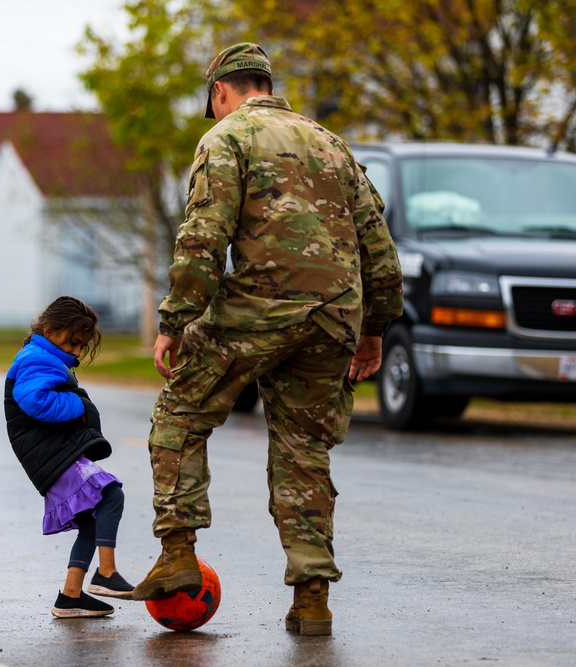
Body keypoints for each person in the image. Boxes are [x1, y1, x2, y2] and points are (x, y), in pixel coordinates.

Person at [131, 43, 404, 637]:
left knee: (180, 413)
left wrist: (176, 322)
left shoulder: (226, 138)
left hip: (258, 309)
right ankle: (312, 600)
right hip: (335, 319)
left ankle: (178, 554)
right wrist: (374, 331)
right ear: (265, 83)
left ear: (220, 91)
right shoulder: (332, 144)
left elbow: (203, 238)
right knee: (304, 452)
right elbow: (380, 251)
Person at [4, 296, 134, 618]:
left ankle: (71, 596)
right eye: (73, 342)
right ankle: (105, 574)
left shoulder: (42, 356)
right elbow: (33, 400)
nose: (77, 352)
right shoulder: (37, 359)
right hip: (50, 455)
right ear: (49, 330)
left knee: (92, 517)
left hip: (52, 452)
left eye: (81, 346)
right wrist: (81, 407)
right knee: (110, 494)